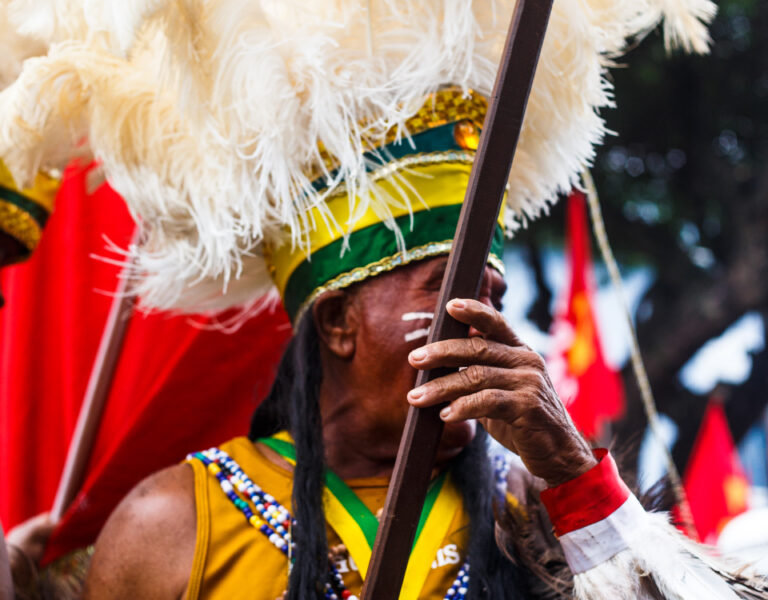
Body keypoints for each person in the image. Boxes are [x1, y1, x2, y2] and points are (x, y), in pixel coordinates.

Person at [3, 2, 763, 599]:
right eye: (453, 292)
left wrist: (572, 474)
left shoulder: (538, 506)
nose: (488, 325)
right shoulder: (169, 523)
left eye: (495, 297)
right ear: (337, 323)